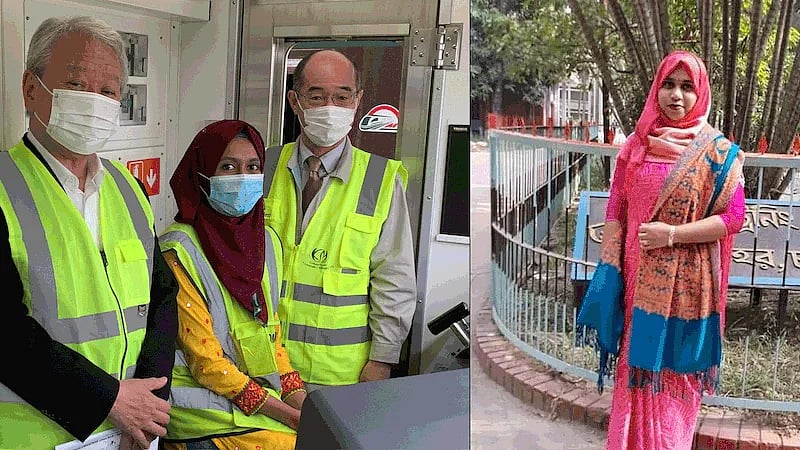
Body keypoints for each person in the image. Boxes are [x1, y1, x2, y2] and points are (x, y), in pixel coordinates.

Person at [0, 16, 178, 450]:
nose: (93, 102)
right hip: (36, 436)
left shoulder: (128, 188)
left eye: (108, 91)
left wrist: (150, 408)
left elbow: (161, 299)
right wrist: (110, 400)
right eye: (77, 84)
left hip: (132, 432)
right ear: (30, 89)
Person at [578, 50, 746, 449]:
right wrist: (611, 273)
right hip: (637, 291)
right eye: (669, 85)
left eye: (687, 87)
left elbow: (733, 218)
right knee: (633, 379)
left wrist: (671, 235)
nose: (677, 95)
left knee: (673, 384)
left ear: (700, 94)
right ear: (656, 90)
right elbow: (616, 207)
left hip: (686, 297)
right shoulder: (636, 148)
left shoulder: (718, 154)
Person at [262, 49, 417, 388]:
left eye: (342, 96)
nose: (329, 106)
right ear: (295, 101)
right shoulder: (262, 166)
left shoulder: (380, 179)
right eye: (316, 96)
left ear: (357, 101)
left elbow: (395, 278)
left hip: (340, 377)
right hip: (263, 367)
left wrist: (382, 359)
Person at [159, 120, 307, 450]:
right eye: (228, 167)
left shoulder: (266, 242)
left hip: (250, 402)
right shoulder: (179, 250)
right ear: (201, 176)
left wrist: (302, 403)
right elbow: (207, 364)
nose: (243, 177)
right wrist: (292, 417)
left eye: (252, 167)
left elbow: (272, 338)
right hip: (199, 411)